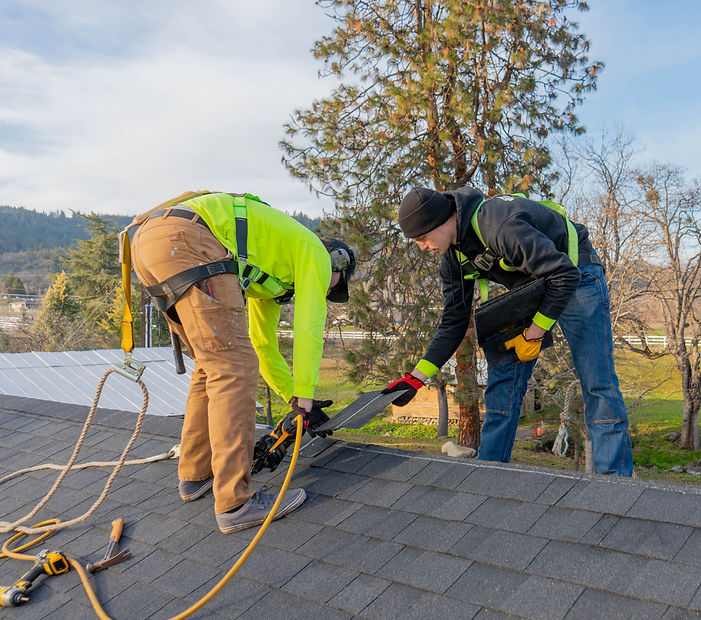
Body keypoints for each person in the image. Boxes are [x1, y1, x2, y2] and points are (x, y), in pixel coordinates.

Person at [127, 191, 356, 533]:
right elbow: (310, 328)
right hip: (187, 238)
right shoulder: (316, 255)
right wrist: (306, 396)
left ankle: (196, 474)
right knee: (232, 367)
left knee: (213, 363)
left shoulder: (273, 272)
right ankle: (236, 502)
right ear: (337, 263)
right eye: (336, 284)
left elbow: (263, 344)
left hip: (150, 242)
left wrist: (293, 398)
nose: (328, 291)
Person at [383, 186, 633, 476]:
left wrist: (534, 333)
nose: (422, 247)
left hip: (577, 274)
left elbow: (564, 275)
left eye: (422, 238)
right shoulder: (453, 259)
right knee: (503, 382)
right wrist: (416, 379)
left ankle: (615, 481)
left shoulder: (498, 225)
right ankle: (489, 474)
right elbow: (453, 321)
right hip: (529, 288)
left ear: (439, 222)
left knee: (597, 383)